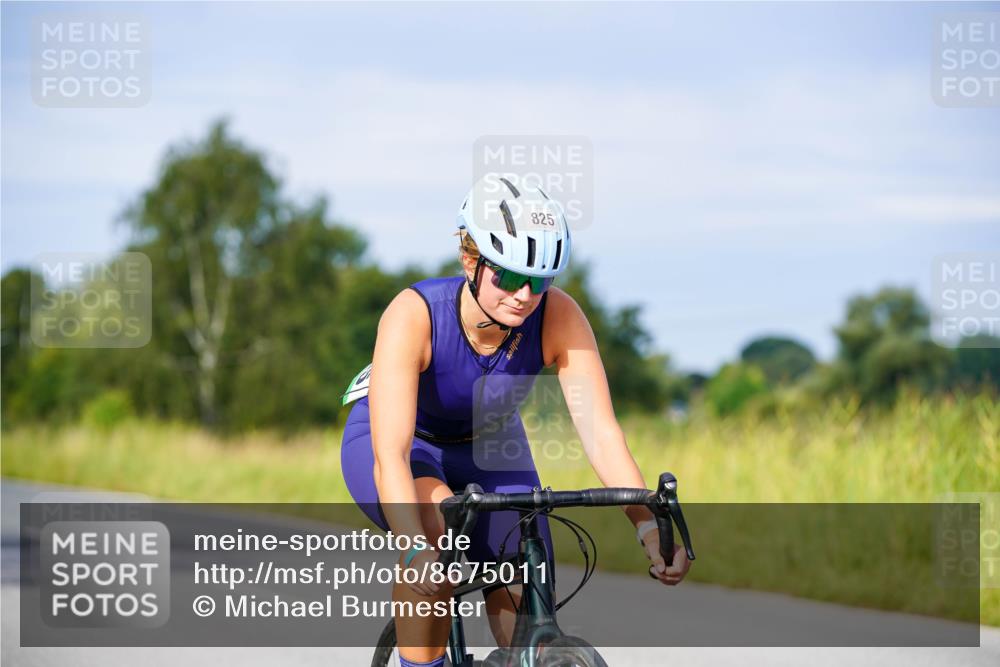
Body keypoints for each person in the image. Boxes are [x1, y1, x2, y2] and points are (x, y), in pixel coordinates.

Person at [340, 174, 690, 666]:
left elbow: (601, 432)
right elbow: (390, 456)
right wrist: (415, 547)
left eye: (541, 280)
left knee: (526, 572)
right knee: (439, 533)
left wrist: (648, 528)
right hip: (406, 444)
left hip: (490, 444)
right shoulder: (415, 314)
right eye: (507, 275)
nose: (525, 295)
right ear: (470, 260)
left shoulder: (558, 315)